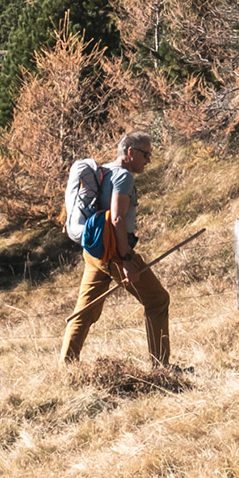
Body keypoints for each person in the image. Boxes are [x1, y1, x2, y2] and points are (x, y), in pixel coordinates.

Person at [60, 130, 170, 368]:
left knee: (84, 311)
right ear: (130, 152)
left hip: (94, 252)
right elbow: (117, 219)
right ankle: (161, 368)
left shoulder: (104, 172)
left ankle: (66, 368)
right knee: (158, 300)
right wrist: (127, 260)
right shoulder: (123, 178)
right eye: (145, 154)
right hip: (114, 254)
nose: (148, 160)